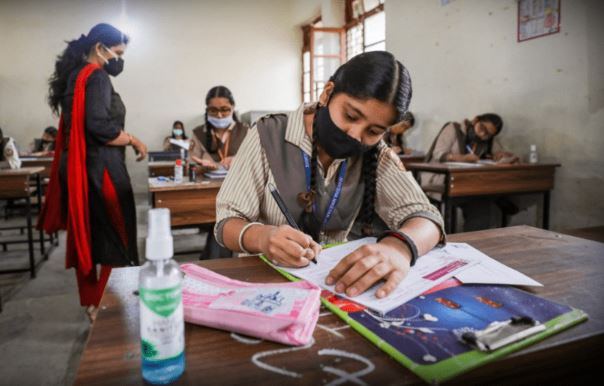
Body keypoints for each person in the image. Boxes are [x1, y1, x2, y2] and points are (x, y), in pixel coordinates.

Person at [215, 51, 444, 299]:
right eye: (351, 116)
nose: (356, 135)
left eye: (374, 130)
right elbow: (226, 222)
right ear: (327, 92)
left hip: (335, 285)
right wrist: (262, 237)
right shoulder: (267, 134)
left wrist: (398, 248)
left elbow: (427, 217)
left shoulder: (375, 153)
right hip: (266, 283)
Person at [39, 23, 147, 319]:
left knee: (92, 234)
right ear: (101, 48)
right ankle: (106, 304)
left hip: (80, 167)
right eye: (118, 52)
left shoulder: (75, 76)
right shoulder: (96, 77)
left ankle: (93, 302)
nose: (119, 60)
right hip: (102, 169)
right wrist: (134, 139)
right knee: (118, 235)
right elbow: (99, 127)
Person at [421, 114, 520, 231]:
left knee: (481, 203)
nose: (483, 135)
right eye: (482, 129)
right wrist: (462, 158)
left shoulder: (486, 140)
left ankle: (472, 240)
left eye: (488, 135)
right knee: (482, 196)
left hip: (468, 183)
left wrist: (501, 156)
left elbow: (496, 154)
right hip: (441, 179)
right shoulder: (453, 128)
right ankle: (497, 197)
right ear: (475, 120)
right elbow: (438, 154)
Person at [189, 86, 250, 171]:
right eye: (213, 110)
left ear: (232, 108)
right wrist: (202, 168)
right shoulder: (199, 133)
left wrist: (237, 160)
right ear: (207, 110)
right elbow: (190, 167)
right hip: (209, 183)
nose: (219, 115)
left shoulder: (246, 131)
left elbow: (257, 162)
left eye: (224, 110)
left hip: (239, 183)